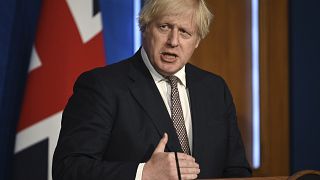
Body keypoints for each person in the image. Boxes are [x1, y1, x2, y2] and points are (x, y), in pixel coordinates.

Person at [52, 0, 252, 179]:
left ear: (197, 40)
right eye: (164, 27)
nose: (173, 41)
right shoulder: (102, 86)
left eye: (185, 32)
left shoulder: (215, 90)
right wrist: (143, 173)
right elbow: (68, 169)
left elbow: (236, 171)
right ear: (145, 27)